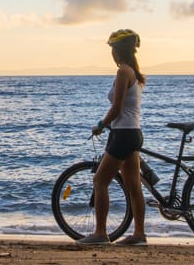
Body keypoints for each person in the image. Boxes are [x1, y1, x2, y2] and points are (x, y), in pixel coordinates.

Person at [76, 28, 147, 246]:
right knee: (133, 186)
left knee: (100, 180)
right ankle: (139, 235)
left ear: (119, 51)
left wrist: (100, 125)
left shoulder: (123, 72)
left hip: (124, 135)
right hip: (132, 132)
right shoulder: (133, 72)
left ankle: (100, 234)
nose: (112, 53)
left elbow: (116, 108)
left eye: (113, 48)